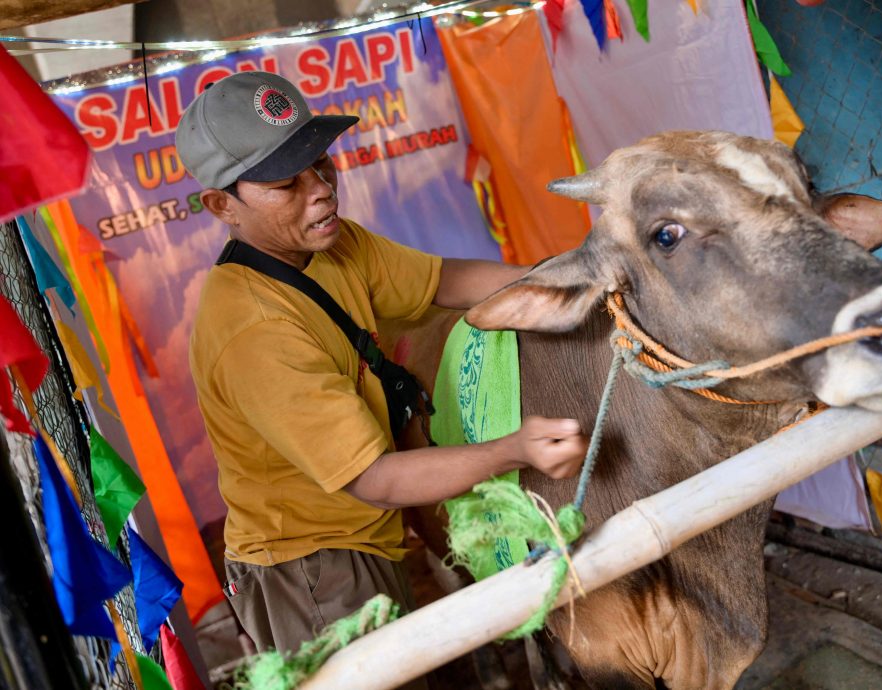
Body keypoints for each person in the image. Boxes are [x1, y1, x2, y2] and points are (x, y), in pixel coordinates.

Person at [175, 71, 587, 658]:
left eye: (321, 164)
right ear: (223, 206)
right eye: (286, 183)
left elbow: (441, 280)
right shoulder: (254, 331)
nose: (321, 190)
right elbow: (376, 479)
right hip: (311, 566)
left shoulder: (334, 244)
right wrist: (513, 450)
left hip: (368, 535)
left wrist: (564, 279)